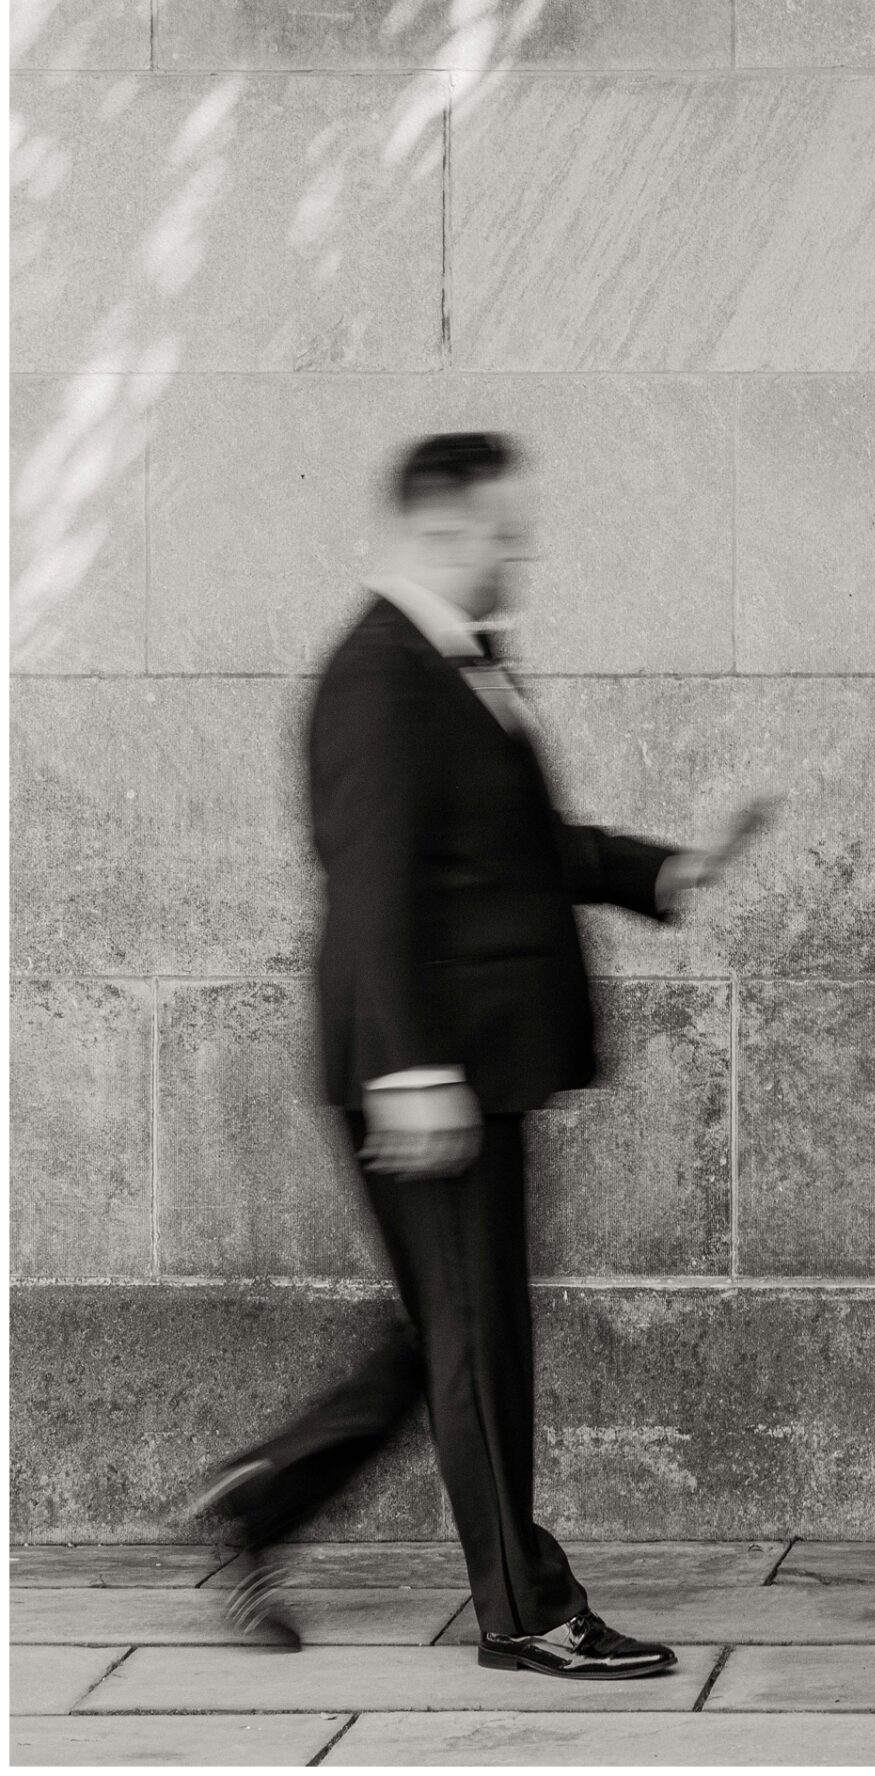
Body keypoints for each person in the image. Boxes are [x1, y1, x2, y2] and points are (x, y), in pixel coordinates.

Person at [191, 432, 772, 1678]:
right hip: (430, 1065)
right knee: (476, 1335)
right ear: (445, 530)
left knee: (450, 1329)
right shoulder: (381, 677)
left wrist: (654, 870)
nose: (522, 552)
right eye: (507, 531)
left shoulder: (449, 666)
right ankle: (525, 1608)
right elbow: (374, 886)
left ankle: (261, 1502)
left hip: (461, 1062)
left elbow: (509, 842)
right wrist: (410, 1067)